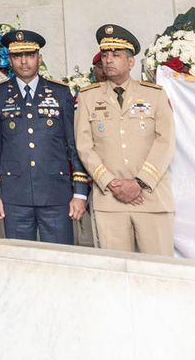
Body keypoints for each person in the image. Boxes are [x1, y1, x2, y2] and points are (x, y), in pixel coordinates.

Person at [74, 24, 175, 256]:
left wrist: (139, 183)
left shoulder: (155, 95)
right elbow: (84, 146)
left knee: (159, 271)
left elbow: (166, 142)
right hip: (110, 200)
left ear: (131, 62)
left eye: (116, 55)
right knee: (116, 273)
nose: (109, 60)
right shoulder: (89, 97)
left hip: (152, 198)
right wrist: (111, 183)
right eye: (106, 55)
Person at [0, 29, 89, 243]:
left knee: (61, 259)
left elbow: (73, 144)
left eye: (30, 55)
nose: (24, 62)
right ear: (10, 59)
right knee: (19, 261)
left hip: (55, 193)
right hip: (15, 196)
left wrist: (80, 192)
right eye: (17, 56)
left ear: (39, 59)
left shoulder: (60, 93)